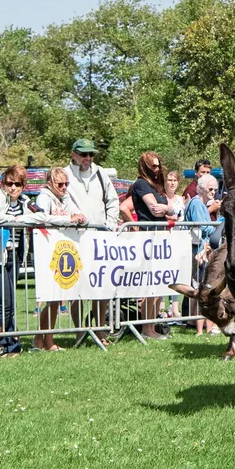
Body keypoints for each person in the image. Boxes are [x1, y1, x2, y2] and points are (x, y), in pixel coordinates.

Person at [0, 166, 81, 359]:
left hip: (13, 258)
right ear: (3, 182)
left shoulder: (25, 201)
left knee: (7, 305)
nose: (13, 188)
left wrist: (69, 219)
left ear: (23, 186)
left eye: (18, 184)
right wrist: (17, 220)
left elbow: (41, 216)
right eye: (9, 183)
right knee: (3, 305)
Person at [64, 139, 119, 336]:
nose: (87, 158)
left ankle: (100, 329)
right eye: (83, 154)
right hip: (75, 238)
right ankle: (80, 331)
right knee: (76, 288)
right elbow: (63, 201)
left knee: (101, 286)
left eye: (91, 154)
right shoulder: (65, 174)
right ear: (73, 154)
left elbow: (113, 200)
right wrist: (75, 217)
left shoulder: (101, 173)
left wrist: (110, 223)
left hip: (100, 238)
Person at [33, 168, 88, 351]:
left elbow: (78, 214)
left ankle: (41, 339)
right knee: (52, 299)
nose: (64, 187)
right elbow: (41, 218)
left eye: (66, 184)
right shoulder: (43, 198)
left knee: (56, 299)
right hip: (47, 250)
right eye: (60, 184)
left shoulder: (65, 198)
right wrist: (69, 220)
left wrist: (81, 218)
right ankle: (46, 340)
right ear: (50, 183)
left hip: (61, 250)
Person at [129, 152, 171, 338]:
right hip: (148, 238)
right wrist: (168, 209)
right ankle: (147, 329)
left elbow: (170, 209)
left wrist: (168, 209)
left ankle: (152, 327)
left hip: (161, 238)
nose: (157, 169)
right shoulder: (141, 184)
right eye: (153, 166)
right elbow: (155, 210)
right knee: (150, 288)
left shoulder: (157, 185)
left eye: (158, 165)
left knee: (159, 287)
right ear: (145, 166)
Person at [184, 174, 220, 335]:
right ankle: (203, 326)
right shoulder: (197, 204)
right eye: (210, 189)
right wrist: (219, 226)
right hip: (198, 249)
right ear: (201, 189)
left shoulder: (198, 203)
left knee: (197, 286)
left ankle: (193, 321)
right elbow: (204, 226)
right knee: (201, 287)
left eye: (215, 189)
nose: (213, 192)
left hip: (199, 248)